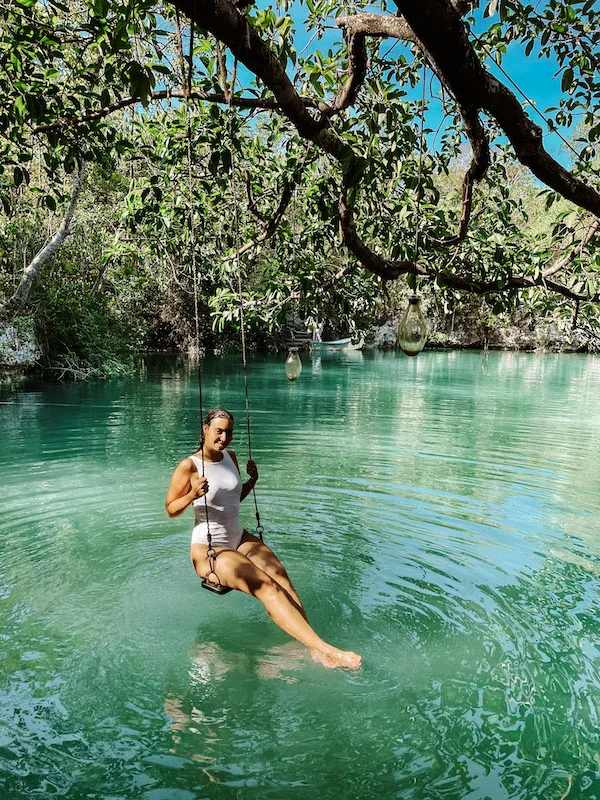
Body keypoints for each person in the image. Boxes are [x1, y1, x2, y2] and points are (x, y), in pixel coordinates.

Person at [165, 408, 362, 670]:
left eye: (229, 432)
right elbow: (170, 509)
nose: (224, 437)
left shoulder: (231, 458)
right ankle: (325, 650)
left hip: (239, 537)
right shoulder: (189, 466)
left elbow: (230, 501)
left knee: (280, 576)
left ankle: (312, 645)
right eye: (219, 431)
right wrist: (192, 495)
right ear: (205, 429)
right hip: (210, 550)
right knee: (266, 586)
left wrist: (251, 482)